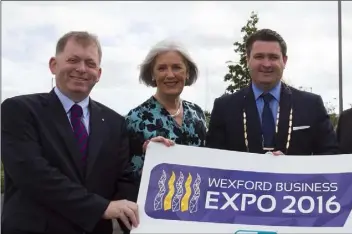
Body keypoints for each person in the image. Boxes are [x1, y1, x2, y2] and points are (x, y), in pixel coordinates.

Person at [1, 31, 139, 234]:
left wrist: (157, 155)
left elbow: (125, 178)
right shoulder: (19, 110)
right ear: (53, 65)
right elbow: (33, 174)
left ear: (99, 74)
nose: (81, 69)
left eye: (90, 64)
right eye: (73, 60)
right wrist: (100, 208)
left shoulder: (115, 122)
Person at [206, 28, 338, 155]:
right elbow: (213, 160)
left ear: (284, 61)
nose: (267, 64)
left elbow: (330, 154)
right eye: (259, 56)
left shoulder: (311, 105)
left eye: (273, 57)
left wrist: (292, 167)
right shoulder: (224, 107)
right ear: (247, 60)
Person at [124, 39, 208, 188]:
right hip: (154, 207)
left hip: (197, 203)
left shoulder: (197, 114)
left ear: (187, 73)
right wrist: (149, 159)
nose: (170, 75)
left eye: (176, 67)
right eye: (162, 68)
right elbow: (124, 177)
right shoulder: (135, 119)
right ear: (152, 75)